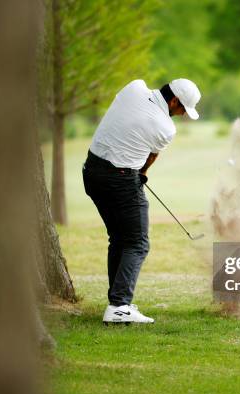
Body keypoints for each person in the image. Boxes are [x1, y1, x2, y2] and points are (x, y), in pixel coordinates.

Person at [82, 78, 201, 324]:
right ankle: (119, 306)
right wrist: (142, 174)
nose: (180, 115)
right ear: (174, 100)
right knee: (137, 243)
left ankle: (117, 302)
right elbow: (149, 159)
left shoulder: (134, 87)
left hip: (91, 171)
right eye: (181, 110)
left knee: (119, 238)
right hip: (120, 179)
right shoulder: (166, 128)